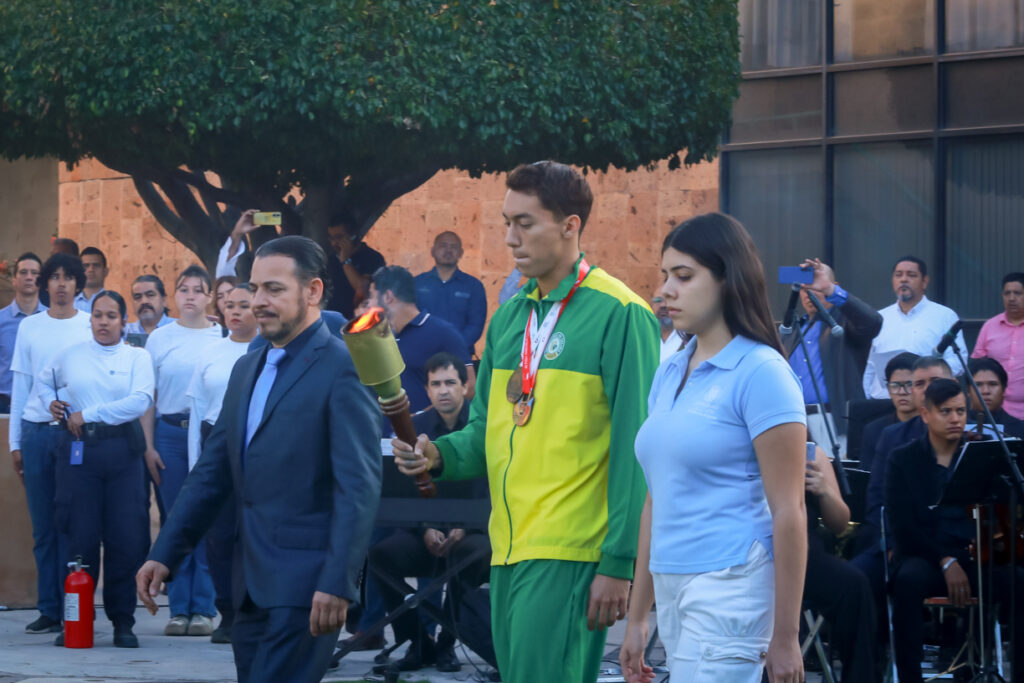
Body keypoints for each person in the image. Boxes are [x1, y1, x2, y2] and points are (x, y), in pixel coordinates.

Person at [394, 161, 660, 683]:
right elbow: (485, 430)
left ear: (570, 226)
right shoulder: (512, 318)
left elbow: (638, 450)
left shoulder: (621, 313)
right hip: (507, 548)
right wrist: (438, 454)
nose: (510, 238)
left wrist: (619, 562)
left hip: (571, 550)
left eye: (526, 223)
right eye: (506, 222)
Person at [137, 236, 382, 683]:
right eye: (255, 288)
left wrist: (338, 582)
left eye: (274, 289)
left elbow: (358, 487)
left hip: (308, 589)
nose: (258, 301)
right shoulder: (246, 370)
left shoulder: (343, 368)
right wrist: (165, 552)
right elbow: (212, 474)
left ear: (312, 292)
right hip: (246, 587)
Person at [621, 213, 807, 683]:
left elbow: (789, 511)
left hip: (732, 585)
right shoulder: (669, 369)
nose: (666, 290)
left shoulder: (762, 371)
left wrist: (785, 637)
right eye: (665, 276)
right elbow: (654, 499)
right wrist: (638, 617)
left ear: (729, 279)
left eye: (684, 276)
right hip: (671, 584)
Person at [887, 379, 1024, 683]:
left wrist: (987, 544)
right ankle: (910, 678)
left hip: (975, 555)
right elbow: (903, 527)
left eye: (960, 411)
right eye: (945, 411)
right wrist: (946, 561)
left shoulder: (982, 453)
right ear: (925, 414)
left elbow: (1000, 513)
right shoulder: (903, 459)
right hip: (926, 556)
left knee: (1015, 580)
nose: (955, 418)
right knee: (907, 581)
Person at [369, 352, 490, 674]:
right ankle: (418, 642)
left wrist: (466, 528)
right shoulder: (413, 427)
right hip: (426, 532)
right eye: (436, 384)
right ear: (427, 389)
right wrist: (425, 528)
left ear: (466, 387)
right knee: (382, 556)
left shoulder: (482, 428)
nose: (443, 390)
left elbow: (491, 489)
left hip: (476, 534)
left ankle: (448, 645)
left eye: (451, 382)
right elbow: (404, 488)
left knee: (468, 557)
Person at [46, 291, 154, 648]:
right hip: (79, 454)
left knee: (126, 537)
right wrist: (53, 403)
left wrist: (88, 413)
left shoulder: (136, 356)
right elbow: (42, 383)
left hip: (123, 451)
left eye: (111, 316)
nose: (103, 322)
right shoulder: (70, 356)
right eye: (97, 315)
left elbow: (139, 401)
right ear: (89, 319)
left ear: (124, 321)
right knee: (80, 535)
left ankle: (123, 620)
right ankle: (78, 620)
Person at [8, 253, 93, 634]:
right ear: (45, 283)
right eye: (54, 277)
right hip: (36, 432)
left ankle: (75, 605)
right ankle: (48, 608)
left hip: (73, 434)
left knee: (72, 523)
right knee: (42, 525)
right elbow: (21, 387)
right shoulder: (31, 327)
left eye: (68, 277)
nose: (61, 284)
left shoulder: (90, 326)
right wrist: (16, 443)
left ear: (78, 284)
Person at [142, 264, 223, 636]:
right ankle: (179, 608)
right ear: (175, 297)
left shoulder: (221, 336)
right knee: (176, 517)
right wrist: (148, 446)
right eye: (184, 289)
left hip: (208, 435)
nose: (190, 295)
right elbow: (149, 397)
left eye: (198, 289)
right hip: (170, 436)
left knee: (206, 516)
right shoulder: (160, 338)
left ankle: (204, 607)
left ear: (210, 297)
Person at [186, 284, 260, 644]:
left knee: (252, 533)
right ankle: (226, 612)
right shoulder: (210, 352)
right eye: (229, 305)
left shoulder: (267, 351)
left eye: (244, 305)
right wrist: (194, 465)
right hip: (215, 443)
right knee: (218, 536)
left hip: (255, 447)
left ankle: (255, 607)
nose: (235, 312)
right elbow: (198, 409)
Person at [852, 356, 953, 600]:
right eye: (920, 383)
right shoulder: (891, 436)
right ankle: (875, 638)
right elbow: (876, 498)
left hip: (952, 546)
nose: (928, 389)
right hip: (900, 541)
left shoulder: (970, 434)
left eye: (935, 381)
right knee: (854, 579)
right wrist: (889, 543)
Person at [781, 258, 882, 441]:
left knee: (835, 470)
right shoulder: (793, 329)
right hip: (794, 420)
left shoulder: (843, 322)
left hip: (832, 419)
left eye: (816, 286)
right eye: (804, 288)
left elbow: (873, 323)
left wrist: (831, 291)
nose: (809, 293)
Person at [802, 440, 876, 683]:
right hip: (758, 552)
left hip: (806, 554)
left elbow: (839, 524)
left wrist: (824, 491)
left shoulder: (813, 454)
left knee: (854, 585)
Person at [370, 265, 473, 414]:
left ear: (387, 297)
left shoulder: (444, 333)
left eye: (372, 296)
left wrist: (421, 419)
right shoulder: (379, 337)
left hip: (426, 436)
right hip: (382, 436)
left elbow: (469, 387)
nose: (370, 304)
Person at [863, 256, 965, 398]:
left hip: (927, 401)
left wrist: (927, 375)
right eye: (898, 275)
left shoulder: (944, 316)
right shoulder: (879, 318)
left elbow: (958, 362)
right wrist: (866, 398)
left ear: (925, 281)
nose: (903, 279)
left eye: (911, 275)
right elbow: (868, 367)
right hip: (883, 402)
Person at [414, 231, 487, 356]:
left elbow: (475, 325)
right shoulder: (417, 283)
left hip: (460, 357)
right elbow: (410, 318)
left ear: (461, 253)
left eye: (454, 247)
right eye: (443, 245)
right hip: (422, 354)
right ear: (432, 251)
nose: (448, 250)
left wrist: (454, 346)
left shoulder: (473, 286)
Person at [972, 272, 1024, 419]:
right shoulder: (989, 327)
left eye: (1017, 293)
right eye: (1007, 293)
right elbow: (976, 369)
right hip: (993, 413)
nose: (1012, 298)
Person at [858, 351, 919, 473]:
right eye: (895, 385)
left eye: (909, 385)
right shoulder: (874, 431)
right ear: (888, 389)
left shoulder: (936, 426)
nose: (902, 392)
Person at [0, 253, 45, 413]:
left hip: (42, 408)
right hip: (4, 406)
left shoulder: (50, 320)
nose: (29, 277)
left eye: (34, 273)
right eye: (23, 272)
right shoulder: (1, 320)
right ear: (13, 279)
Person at [324, 217, 385, 319]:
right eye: (331, 238)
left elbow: (362, 291)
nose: (334, 243)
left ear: (352, 235)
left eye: (339, 237)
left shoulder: (373, 258)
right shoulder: (330, 260)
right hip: (332, 322)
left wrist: (345, 261)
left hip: (359, 322)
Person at [967, 356, 1024, 439]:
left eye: (993, 384)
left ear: (1004, 389)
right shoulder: (956, 427)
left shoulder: (1020, 429)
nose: (985, 391)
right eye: (978, 385)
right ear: (968, 391)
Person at [652, 295, 686, 362]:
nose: (663, 305)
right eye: (658, 300)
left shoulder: (690, 337)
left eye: (669, 299)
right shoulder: (643, 337)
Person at [74, 246, 108, 313]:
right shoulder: (67, 303)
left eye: (96, 265)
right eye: (86, 266)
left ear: (105, 271)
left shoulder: (114, 303)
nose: (91, 269)